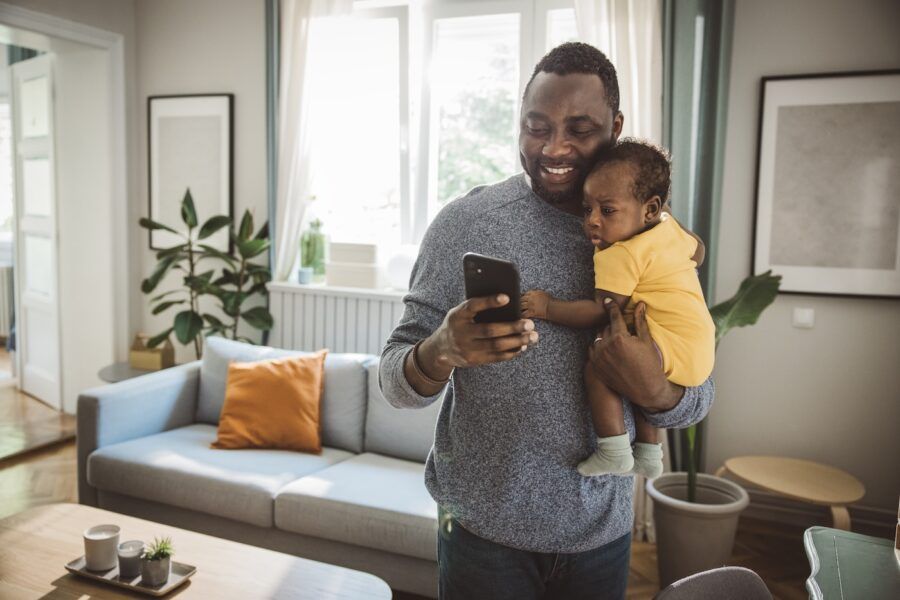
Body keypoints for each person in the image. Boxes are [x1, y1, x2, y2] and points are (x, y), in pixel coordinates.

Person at [379, 42, 714, 600]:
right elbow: (395, 383)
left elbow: (699, 397)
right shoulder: (465, 223)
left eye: (579, 129)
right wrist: (441, 349)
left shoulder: (652, 239)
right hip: (481, 535)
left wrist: (653, 386)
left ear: (617, 126)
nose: (553, 147)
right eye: (536, 127)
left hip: (601, 537)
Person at [521, 139, 716, 480]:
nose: (593, 221)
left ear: (650, 209)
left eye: (607, 211)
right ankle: (649, 453)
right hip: (697, 345)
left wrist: (548, 307)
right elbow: (698, 252)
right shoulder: (668, 229)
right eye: (587, 209)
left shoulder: (622, 253)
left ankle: (613, 450)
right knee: (635, 361)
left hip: (671, 346)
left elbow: (601, 310)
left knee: (604, 362)